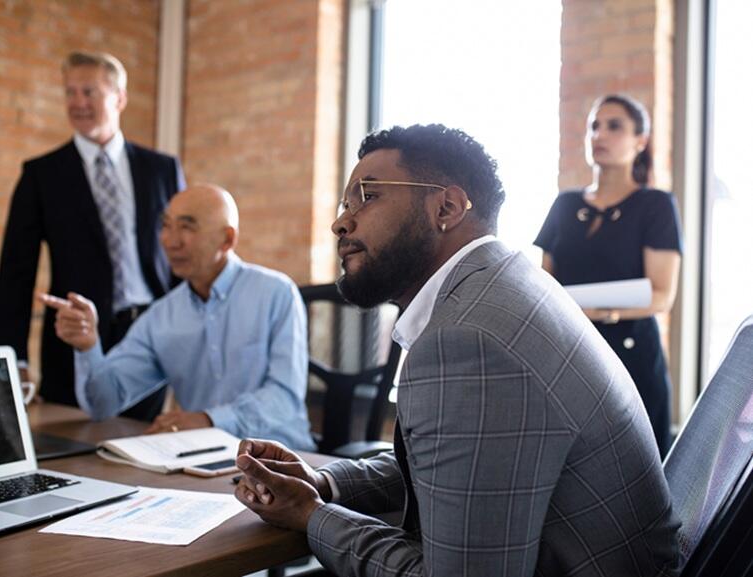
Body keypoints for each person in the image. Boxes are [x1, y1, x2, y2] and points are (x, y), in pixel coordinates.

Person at [233, 124, 680, 576]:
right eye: (345, 203)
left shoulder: (468, 340)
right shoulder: (508, 285)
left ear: (445, 207)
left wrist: (311, 515)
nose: (341, 221)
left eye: (367, 196)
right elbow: (459, 466)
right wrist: (323, 483)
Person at [40, 184, 313, 449]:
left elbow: (283, 399)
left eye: (187, 227)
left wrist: (208, 420)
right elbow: (103, 404)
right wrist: (87, 347)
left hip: (286, 458)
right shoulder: (161, 316)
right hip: (201, 460)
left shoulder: (276, 293)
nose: (170, 241)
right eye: (166, 225)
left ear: (227, 239)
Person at [0, 51, 185, 421]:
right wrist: (13, 358)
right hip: (71, 339)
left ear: (119, 98)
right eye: (70, 92)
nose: (77, 103)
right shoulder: (40, 175)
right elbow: (15, 275)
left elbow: (182, 256)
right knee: (72, 455)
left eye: (89, 92)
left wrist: (188, 340)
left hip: (149, 335)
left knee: (142, 449)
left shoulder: (162, 170)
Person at [535, 94, 682, 457]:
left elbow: (662, 294)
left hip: (630, 356)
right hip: (567, 354)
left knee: (637, 470)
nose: (599, 135)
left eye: (614, 126)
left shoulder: (655, 205)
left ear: (640, 141)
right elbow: (543, 288)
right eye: (594, 126)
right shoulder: (565, 204)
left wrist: (599, 314)